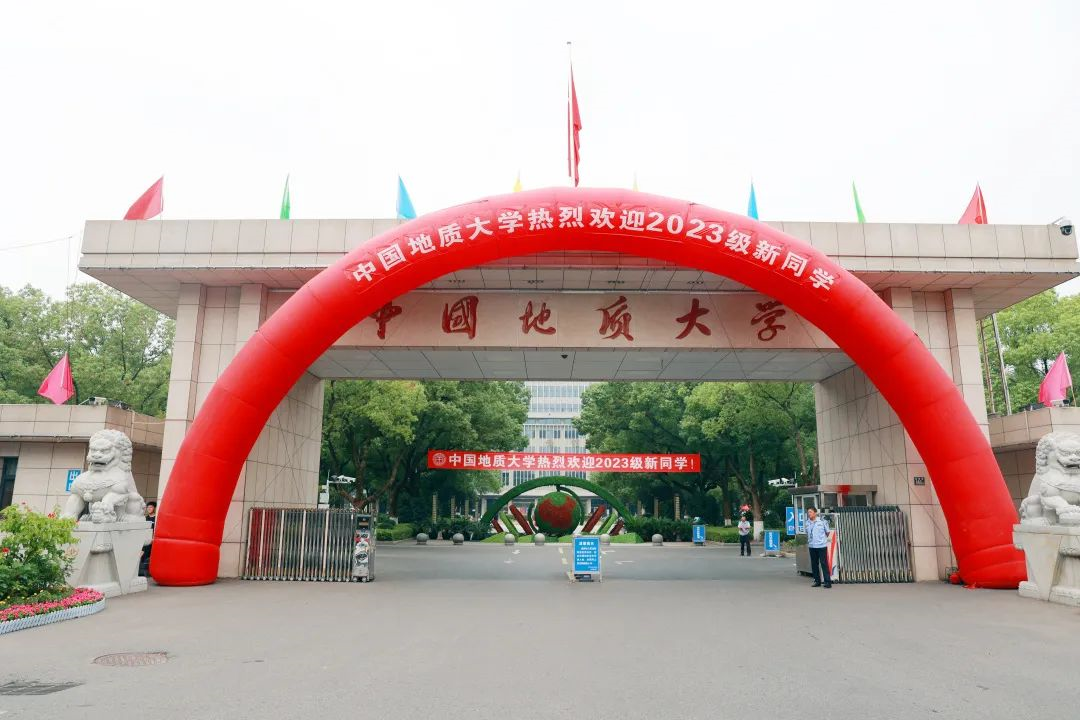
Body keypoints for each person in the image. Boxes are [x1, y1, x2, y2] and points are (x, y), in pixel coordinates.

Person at [805, 507, 832, 588]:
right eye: (808, 512)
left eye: (810, 512)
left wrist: (822, 539)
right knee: (814, 564)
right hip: (812, 546)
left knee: (824, 563)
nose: (809, 514)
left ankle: (827, 582)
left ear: (815, 513)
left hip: (821, 546)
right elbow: (807, 533)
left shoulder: (822, 521)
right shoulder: (807, 522)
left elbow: (827, 532)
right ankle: (817, 581)